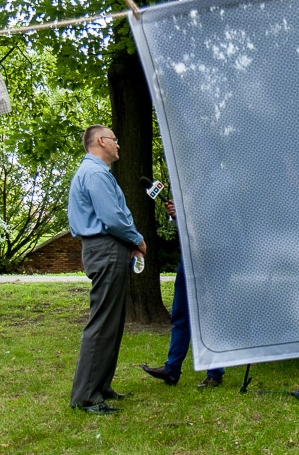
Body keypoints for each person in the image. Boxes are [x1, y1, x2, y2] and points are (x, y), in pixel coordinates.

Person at [68, 124, 147, 415]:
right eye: (115, 139)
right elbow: (112, 218)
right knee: (102, 323)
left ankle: (101, 386)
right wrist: (137, 239)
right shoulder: (96, 173)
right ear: (101, 141)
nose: (118, 145)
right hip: (105, 248)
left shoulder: (95, 172)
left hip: (108, 248)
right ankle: (87, 397)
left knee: (111, 322)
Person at [141, 199, 224, 387]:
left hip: (214, 255)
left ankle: (215, 373)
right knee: (181, 313)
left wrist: (183, 214)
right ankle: (172, 370)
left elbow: (213, 222)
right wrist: (176, 215)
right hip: (190, 256)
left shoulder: (218, 188)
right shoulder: (189, 189)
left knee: (212, 314)